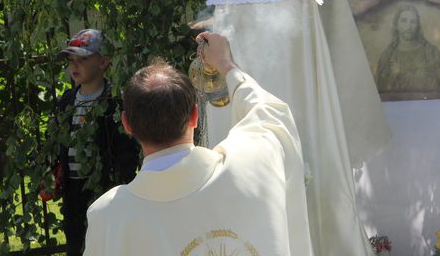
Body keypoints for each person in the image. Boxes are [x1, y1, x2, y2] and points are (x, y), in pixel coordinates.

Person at [83, 32, 314, 256]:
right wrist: (225, 64)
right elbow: (270, 113)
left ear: (127, 125)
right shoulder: (253, 162)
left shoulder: (108, 217)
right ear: (195, 115)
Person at [54, 29, 140, 256]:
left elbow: (126, 147)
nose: (75, 65)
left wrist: (123, 181)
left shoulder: (113, 102)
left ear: (103, 62)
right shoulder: (67, 101)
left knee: (106, 242)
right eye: (71, 60)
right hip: (73, 188)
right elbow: (58, 141)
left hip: (105, 188)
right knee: (75, 241)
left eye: (82, 59)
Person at [376, 5, 440, 93]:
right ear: (396, 25)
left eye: (413, 22)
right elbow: (380, 89)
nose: (409, 26)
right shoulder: (388, 56)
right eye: (404, 21)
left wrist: (433, 73)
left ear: (418, 26)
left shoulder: (430, 51)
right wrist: (394, 75)